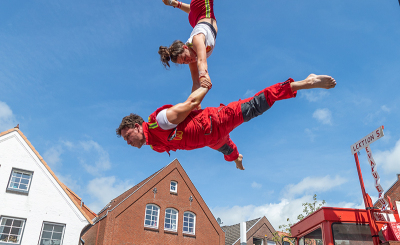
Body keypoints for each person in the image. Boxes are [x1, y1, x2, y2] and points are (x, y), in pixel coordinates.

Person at [117, 74, 335, 170]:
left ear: (137, 127)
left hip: (216, 122)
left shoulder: (160, 122)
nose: (128, 142)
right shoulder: (154, 144)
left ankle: (306, 82)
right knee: (229, 152)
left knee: (256, 105)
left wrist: (205, 86)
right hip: (210, 140)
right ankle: (237, 159)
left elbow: (192, 102)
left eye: (128, 136)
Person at [159, 0, 220, 91]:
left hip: (202, 10)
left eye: (185, 58)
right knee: (194, 10)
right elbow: (196, 84)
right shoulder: (191, 58)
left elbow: (202, 62)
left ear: (186, 47)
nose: (188, 61)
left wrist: (204, 75)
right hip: (196, 19)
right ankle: (175, 3)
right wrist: (194, 106)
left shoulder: (197, 40)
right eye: (184, 62)